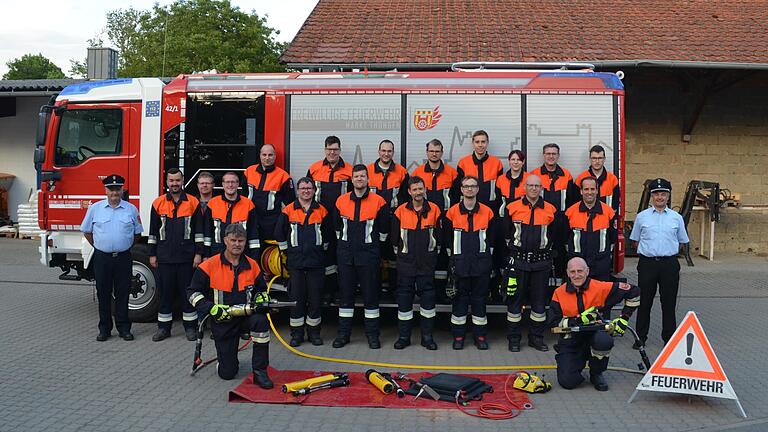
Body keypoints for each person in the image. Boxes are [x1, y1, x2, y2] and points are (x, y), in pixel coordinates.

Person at [186, 223, 273, 389]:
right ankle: (225, 362)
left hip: (246, 317)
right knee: (227, 374)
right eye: (233, 240)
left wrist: (262, 296)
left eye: (240, 241)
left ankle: (260, 372)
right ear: (225, 240)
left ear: (245, 242)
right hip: (223, 320)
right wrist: (211, 308)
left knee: (261, 321)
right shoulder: (209, 266)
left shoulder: (252, 265)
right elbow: (192, 293)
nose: (237, 244)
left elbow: (261, 289)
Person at [548, 257, 640, 391]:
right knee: (568, 382)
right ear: (567, 273)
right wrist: (578, 321)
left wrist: (624, 318)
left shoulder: (601, 287)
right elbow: (553, 323)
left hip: (595, 335)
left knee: (603, 340)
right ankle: (576, 362)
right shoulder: (559, 293)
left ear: (587, 271)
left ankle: (596, 372)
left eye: (580, 271)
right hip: (572, 340)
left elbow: (634, 292)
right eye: (572, 272)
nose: (576, 275)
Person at [80, 174, 143, 341]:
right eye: (111, 189)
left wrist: (124, 245)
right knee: (103, 293)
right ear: (105, 190)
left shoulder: (131, 209)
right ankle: (104, 329)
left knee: (123, 293)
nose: (114, 192)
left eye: (118, 189)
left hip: (123, 257)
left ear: (122, 190)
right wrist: (101, 246)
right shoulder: (95, 209)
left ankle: (124, 328)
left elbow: (137, 233)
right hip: (102, 258)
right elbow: (87, 231)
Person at [332, 164, 389, 349]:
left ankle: (373, 336)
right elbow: (336, 228)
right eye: (356, 176)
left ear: (367, 179)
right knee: (346, 297)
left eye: (362, 176)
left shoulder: (379, 201)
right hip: (346, 256)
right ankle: (343, 335)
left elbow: (384, 230)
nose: (359, 179)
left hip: (369, 257)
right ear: (352, 179)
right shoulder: (340, 201)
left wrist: (372, 247)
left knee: (371, 297)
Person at [629, 178, 690, 347]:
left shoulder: (677, 218)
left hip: (669, 265)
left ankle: (669, 339)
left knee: (668, 303)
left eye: (663, 194)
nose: (660, 197)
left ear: (668, 196)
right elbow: (635, 240)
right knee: (644, 302)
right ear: (651, 196)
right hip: (647, 264)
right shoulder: (641, 217)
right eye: (656, 194)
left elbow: (681, 241)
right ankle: (641, 338)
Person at [148, 168, 205, 342]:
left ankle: (190, 328)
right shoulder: (158, 203)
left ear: (183, 181)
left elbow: (199, 232)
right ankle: (164, 329)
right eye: (171, 180)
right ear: (166, 182)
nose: (174, 184)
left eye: (177, 180)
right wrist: (152, 254)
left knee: (187, 294)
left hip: (187, 257)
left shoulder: (193, 202)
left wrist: (198, 253)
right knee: (165, 294)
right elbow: (152, 232)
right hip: (165, 257)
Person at [275, 177, 332, 347]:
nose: (306, 191)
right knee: (296, 300)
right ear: (298, 191)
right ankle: (296, 334)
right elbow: (279, 233)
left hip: (316, 263)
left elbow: (327, 236)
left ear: (314, 190)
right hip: (296, 263)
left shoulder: (322, 211)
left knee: (315, 300)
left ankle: (314, 334)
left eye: (309, 188)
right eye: (303, 188)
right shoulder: (288, 210)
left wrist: (320, 252)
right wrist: (288, 252)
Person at [503, 174, 556, 352]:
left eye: (537, 186)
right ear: (524, 187)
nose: (534, 189)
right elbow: (506, 234)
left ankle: (536, 338)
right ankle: (514, 339)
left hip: (541, 264)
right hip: (518, 262)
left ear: (541, 189)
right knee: (514, 303)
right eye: (530, 185)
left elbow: (556, 236)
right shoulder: (512, 208)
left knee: (539, 305)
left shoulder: (551, 210)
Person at [444, 175, 496, 350]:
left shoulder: (488, 212)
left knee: (479, 301)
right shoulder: (451, 212)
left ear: (478, 189)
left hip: (481, 265)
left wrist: (489, 263)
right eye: (466, 186)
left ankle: (480, 336)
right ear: (461, 189)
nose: (469, 189)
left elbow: (492, 239)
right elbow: (447, 240)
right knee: (459, 301)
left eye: (473, 186)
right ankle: (458, 337)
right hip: (460, 265)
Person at [391, 176, 441, 350]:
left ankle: (427, 337)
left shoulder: (435, 210)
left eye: (421, 189)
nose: (418, 192)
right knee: (404, 303)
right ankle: (404, 337)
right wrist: (403, 257)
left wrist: (432, 255)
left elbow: (439, 238)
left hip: (427, 264)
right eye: (415, 189)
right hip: (406, 264)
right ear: (409, 192)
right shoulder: (400, 211)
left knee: (428, 304)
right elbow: (394, 239)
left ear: (425, 189)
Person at [306, 136, 353, 294]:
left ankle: (341, 289)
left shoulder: (349, 170)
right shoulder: (314, 168)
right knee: (323, 253)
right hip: (320, 220)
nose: (332, 152)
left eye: (335, 149)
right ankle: (325, 290)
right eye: (329, 149)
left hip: (343, 220)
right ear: (325, 150)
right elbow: (307, 193)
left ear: (339, 150)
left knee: (342, 253)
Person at [411, 138, 459, 288]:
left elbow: (457, 198)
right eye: (431, 151)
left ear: (442, 153)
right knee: (426, 252)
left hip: (445, 220)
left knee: (444, 253)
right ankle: (425, 288)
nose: (434, 154)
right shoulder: (417, 172)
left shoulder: (452, 173)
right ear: (427, 152)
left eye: (437, 151)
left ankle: (441, 290)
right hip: (425, 220)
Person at [530, 143, 577, 285]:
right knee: (541, 255)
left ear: (558, 156)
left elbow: (571, 202)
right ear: (543, 155)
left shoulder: (566, 175)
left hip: (561, 224)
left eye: (554, 154)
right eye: (548, 153)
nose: (551, 156)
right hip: (540, 223)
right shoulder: (534, 175)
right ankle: (540, 286)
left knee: (560, 256)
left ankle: (557, 288)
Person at [367, 139, 409, 292]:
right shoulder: (368, 171)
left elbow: (406, 197)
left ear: (393, 153)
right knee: (373, 254)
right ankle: (374, 288)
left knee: (393, 255)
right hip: (372, 221)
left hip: (393, 219)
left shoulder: (402, 172)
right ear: (379, 152)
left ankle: (393, 288)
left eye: (389, 151)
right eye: (383, 150)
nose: (386, 154)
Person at [245, 144, 295, 254]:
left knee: (268, 253)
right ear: (260, 155)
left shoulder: (283, 176)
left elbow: (289, 203)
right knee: (250, 250)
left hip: (272, 221)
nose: (267, 158)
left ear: (275, 156)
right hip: (251, 218)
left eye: (270, 155)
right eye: (264, 155)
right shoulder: (249, 171)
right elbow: (242, 195)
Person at [564, 176, 617, 282]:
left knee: (600, 296)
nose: (589, 192)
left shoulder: (609, 212)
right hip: (578, 265)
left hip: (601, 265)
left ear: (597, 191)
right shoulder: (570, 212)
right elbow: (565, 239)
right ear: (581, 191)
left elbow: (613, 238)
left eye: (592, 189)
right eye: (586, 189)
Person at [204, 172, 259, 258]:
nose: (230, 185)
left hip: (241, 252)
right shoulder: (213, 203)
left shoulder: (248, 204)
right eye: (227, 182)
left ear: (238, 184)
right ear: (223, 184)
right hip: (217, 252)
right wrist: (206, 255)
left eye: (233, 182)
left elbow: (253, 233)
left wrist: (254, 257)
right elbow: (207, 231)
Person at [456, 130, 503, 213]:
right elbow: (458, 190)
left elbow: (500, 190)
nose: (480, 145)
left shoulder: (497, 163)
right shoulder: (463, 163)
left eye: (483, 142)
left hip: (492, 207)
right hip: (469, 208)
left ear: (487, 143)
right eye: (477, 142)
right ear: (473, 143)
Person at [574, 145, 620, 213]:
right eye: (594, 158)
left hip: (606, 220)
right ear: (590, 159)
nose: (597, 161)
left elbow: (615, 204)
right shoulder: (580, 179)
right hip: (584, 219)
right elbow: (574, 202)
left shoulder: (613, 179)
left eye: (600, 158)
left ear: (604, 159)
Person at [495, 150, 529, 217]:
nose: (515, 162)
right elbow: (498, 200)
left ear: (523, 162)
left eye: (519, 160)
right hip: (504, 216)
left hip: (523, 216)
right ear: (509, 161)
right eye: (513, 159)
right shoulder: (501, 179)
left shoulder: (529, 178)